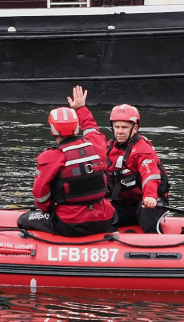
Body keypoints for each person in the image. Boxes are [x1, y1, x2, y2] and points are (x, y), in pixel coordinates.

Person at [17, 86, 114, 237]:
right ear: (76, 126)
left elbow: (40, 196)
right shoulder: (97, 145)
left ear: (52, 129)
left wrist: (50, 210)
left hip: (71, 224)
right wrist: (81, 108)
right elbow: (91, 128)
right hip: (105, 219)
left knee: (23, 219)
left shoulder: (50, 157)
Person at [106, 103, 170, 233]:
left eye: (124, 127)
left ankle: (155, 242)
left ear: (135, 128)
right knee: (101, 210)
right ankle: (112, 242)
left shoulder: (142, 149)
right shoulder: (109, 147)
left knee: (146, 209)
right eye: (116, 127)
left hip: (148, 202)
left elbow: (150, 175)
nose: (119, 131)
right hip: (124, 203)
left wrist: (150, 196)